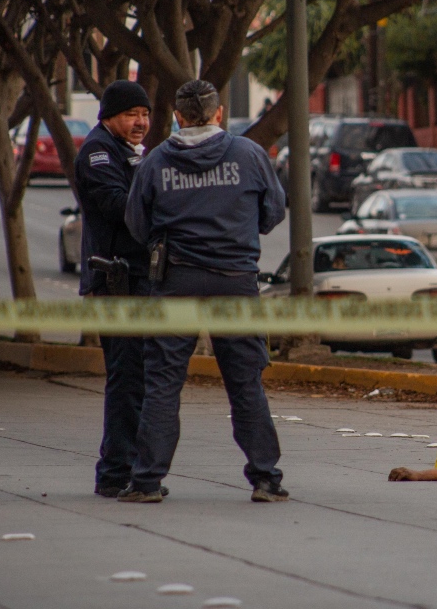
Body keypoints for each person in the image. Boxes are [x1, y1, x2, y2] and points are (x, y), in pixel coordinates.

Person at [122, 79, 287, 503]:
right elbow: (273, 212)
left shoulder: (156, 162)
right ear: (218, 113)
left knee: (162, 383)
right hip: (236, 282)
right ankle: (266, 479)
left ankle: (146, 481)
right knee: (245, 383)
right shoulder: (249, 155)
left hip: (176, 281)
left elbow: (137, 226)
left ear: (178, 116)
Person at [74, 81, 155, 499]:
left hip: (134, 281)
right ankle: (115, 473)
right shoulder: (98, 151)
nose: (140, 122)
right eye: (131, 115)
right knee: (126, 380)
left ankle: (127, 467)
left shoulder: (129, 151)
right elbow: (117, 205)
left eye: (145, 114)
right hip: (116, 282)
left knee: (135, 378)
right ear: (108, 115)